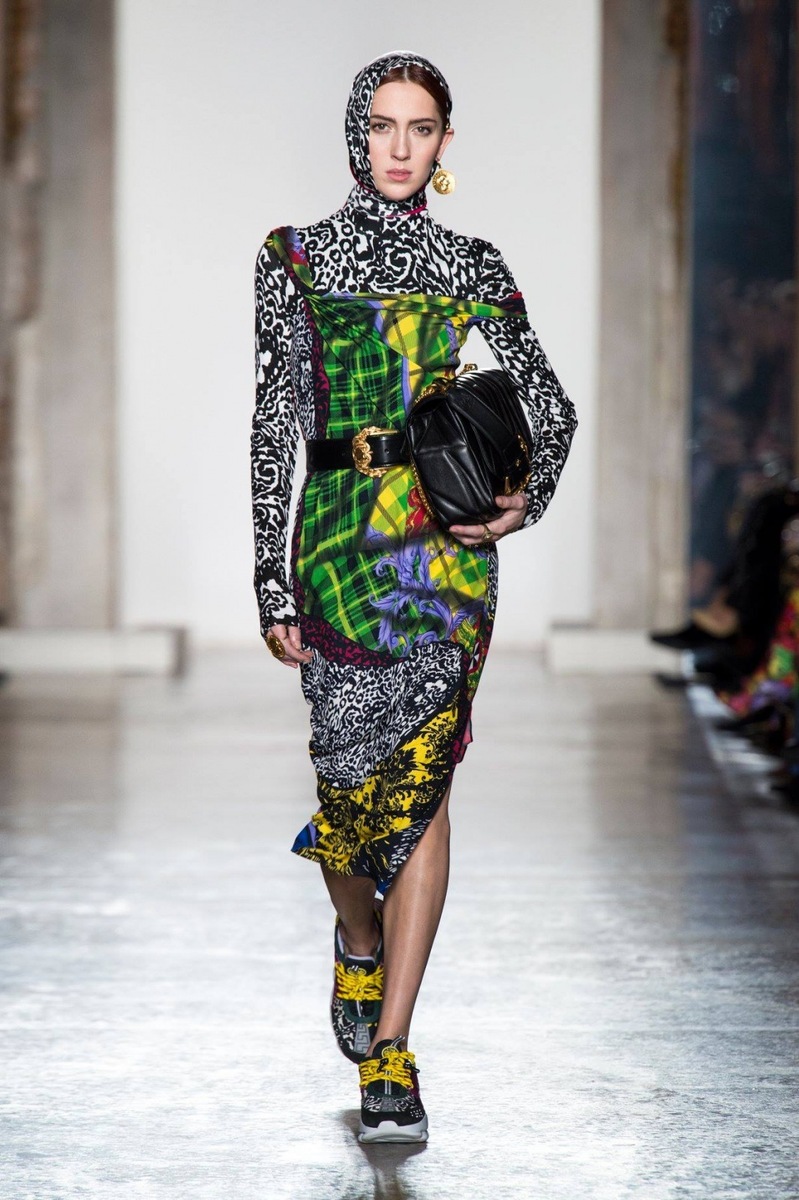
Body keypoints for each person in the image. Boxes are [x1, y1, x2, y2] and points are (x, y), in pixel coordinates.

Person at [251, 51, 577, 1144]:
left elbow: (551, 403)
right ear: (357, 131)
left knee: (427, 791)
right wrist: (268, 572)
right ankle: (357, 940)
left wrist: (520, 504)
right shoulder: (293, 258)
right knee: (349, 795)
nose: (400, 147)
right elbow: (275, 417)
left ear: (443, 143)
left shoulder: (470, 263)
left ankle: (391, 1051)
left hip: (442, 557)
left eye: (421, 128)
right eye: (384, 125)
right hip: (337, 544)